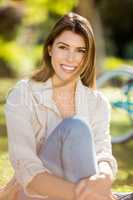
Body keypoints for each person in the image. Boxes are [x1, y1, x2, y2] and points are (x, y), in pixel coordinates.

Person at [1, 12, 119, 200]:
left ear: (88, 56)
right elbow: (27, 169)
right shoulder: (22, 95)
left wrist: (104, 176)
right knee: (75, 128)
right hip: (37, 194)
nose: (71, 58)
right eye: (63, 47)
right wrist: (91, 196)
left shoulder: (97, 103)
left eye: (81, 50)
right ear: (50, 49)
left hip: (84, 192)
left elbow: (103, 153)